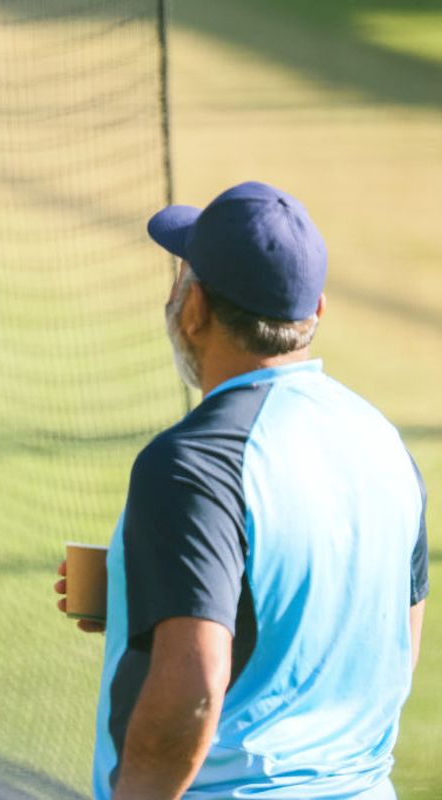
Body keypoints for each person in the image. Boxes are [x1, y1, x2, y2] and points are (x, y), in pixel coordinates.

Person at [56, 181, 428, 798]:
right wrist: (139, 597)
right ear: (315, 314)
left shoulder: (192, 464)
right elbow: (391, 644)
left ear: (194, 308)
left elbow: (194, 690)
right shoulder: (385, 442)